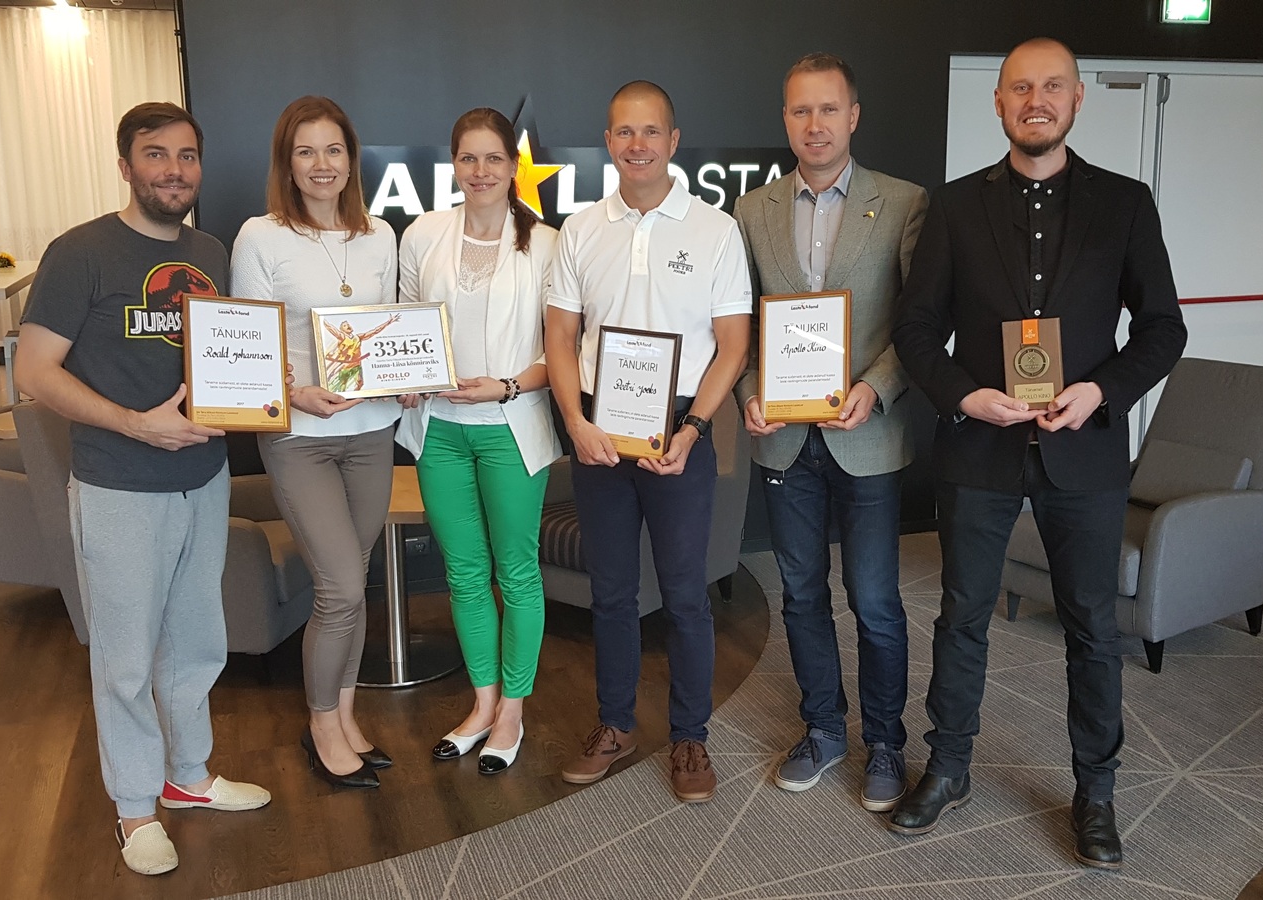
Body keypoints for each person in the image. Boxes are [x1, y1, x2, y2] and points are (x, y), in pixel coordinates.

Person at [889, 38, 1186, 868]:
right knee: (962, 618)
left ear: (1078, 99)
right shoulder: (954, 207)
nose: (1036, 100)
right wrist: (964, 396)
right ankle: (949, 768)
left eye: (1052, 86)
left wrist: (1101, 391)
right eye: (1020, 88)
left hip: (1083, 450)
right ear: (999, 102)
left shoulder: (1125, 204)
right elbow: (916, 328)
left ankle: (1097, 791)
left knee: (1092, 625)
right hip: (978, 447)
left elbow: (1163, 328)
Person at [16, 102, 271, 876]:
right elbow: (33, 372)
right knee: (125, 658)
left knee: (196, 641)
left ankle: (188, 776)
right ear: (126, 165)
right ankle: (134, 808)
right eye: (155, 155)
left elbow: (231, 355)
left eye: (187, 155)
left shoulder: (210, 251)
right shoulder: (80, 252)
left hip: (204, 478)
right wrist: (134, 424)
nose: (173, 170)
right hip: (119, 484)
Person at [545, 81, 752, 804]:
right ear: (609, 142)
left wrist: (695, 430)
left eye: (651, 131)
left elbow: (733, 344)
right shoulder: (580, 230)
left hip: (680, 432)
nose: (638, 145)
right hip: (598, 430)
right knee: (611, 593)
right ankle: (615, 725)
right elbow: (560, 336)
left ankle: (690, 735)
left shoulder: (715, 229)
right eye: (624, 132)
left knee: (686, 597)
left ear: (673, 140)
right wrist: (575, 424)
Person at [733, 52, 927, 813]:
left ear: (853, 116)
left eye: (828, 109)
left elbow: (918, 321)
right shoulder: (752, 210)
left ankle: (885, 742)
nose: (814, 124)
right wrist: (749, 390)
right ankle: (821, 730)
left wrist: (876, 388)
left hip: (866, 432)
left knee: (874, 600)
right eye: (800, 110)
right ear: (785, 119)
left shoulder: (903, 203)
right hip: (785, 438)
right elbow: (743, 325)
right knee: (801, 595)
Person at [229, 95, 401, 790]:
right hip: (300, 437)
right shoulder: (260, 236)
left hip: (372, 433)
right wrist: (296, 392)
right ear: (287, 163)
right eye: (306, 151)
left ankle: (347, 717)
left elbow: (390, 329)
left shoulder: (379, 235)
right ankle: (322, 725)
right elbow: (246, 344)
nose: (321, 164)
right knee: (339, 588)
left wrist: (407, 377)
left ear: (351, 161)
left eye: (333, 150)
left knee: (354, 582)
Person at [396, 107, 561, 775]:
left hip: (511, 431)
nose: (482, 170)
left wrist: (507, 386)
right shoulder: (423, 234)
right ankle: (482, 703)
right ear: (454, 164)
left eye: (494, 158)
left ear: (513, 166)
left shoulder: (547, 243)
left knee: (516, 573)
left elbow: (563, 351)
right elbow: (405, 323)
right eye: (469, 158)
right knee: (463, 574)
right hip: (438, 433)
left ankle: (513, 709)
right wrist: (405, 378)